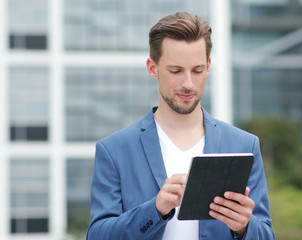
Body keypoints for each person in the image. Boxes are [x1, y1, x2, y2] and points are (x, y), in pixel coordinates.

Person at [87, 12, 274, 240]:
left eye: (197, 71)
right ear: (152, 68)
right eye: (175, 71)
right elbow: (97, 235)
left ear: (208, 67)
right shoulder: (114, 150)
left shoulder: (244, 145)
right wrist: (155, 209)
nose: (188, 83)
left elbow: (266, 234)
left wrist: (244, 226)